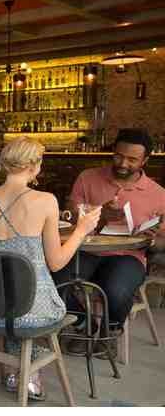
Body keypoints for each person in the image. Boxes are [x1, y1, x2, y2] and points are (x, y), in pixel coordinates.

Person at [0, 136, 100, 400]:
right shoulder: (46, 201)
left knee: (14, 296)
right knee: (38, 301)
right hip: (32, 311)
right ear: (33, 166)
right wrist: (81, 230)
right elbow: (56, 263)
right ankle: (28, 369)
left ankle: (16, 369)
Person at [53, 128, 165, 355]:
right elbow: (70, 216)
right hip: (84, 250)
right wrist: (100, 214)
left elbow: (163, 243)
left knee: (115, 290)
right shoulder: (88, 177)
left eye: (132, 160)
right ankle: (83, 325)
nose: (123, 163)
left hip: (128, 256)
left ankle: (109, 331)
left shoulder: (158, 194)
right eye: (118, 156)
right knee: (54, 281)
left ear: (145, 160)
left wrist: (154, 240)